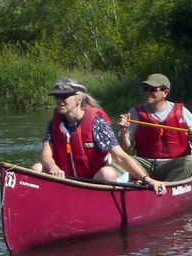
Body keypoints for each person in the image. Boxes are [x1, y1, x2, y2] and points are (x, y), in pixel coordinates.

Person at [32, 78, 167, 195]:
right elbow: (46, 154)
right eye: (57, 97)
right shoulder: (55, 124)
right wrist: (52, 167)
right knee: (37, 168)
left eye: (65, 96)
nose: (60, 100)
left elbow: (120, 156)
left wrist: (146, 179)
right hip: (64, 180)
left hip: (92, 183)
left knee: (108, 173)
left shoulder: (97, 123)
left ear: (79, 98)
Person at [116, 73, 192, 182]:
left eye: (153, 89)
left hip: (173, 164)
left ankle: (167, 184)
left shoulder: (181, 111)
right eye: (146, 89)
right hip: (145, 163)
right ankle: (145, 181)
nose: (148, 93)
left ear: (165, 92)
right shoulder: (135, 112)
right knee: (117, 160)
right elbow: (124, 149)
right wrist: (123, 131)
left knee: (191, 163)